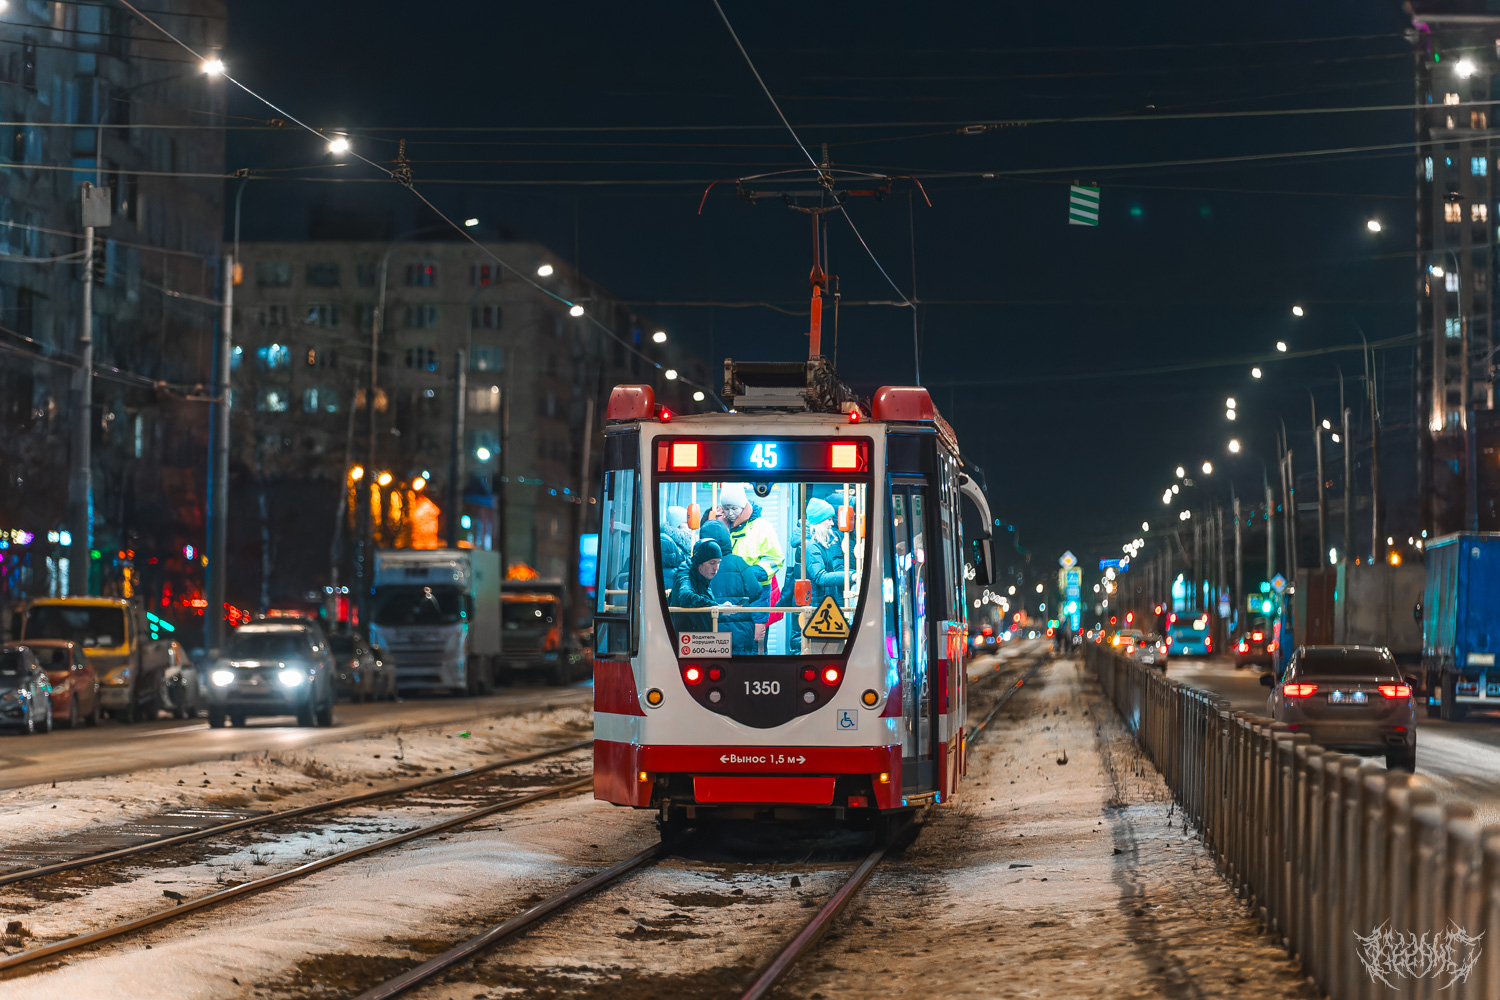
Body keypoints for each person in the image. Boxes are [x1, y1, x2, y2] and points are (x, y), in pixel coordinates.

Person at [699, 520, 765, 654]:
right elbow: (755, 591)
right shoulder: (738, 562)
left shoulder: (699, 566)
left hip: (709, 631)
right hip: (739, 630)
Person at [670, 540, 723, 635]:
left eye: (718, 562)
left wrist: (721, 608)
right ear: (699, 562)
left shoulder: (704, 575)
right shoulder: (686, 573)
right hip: (687, 640)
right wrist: (715, 606)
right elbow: (685, 596)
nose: (716, 568)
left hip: (701, 639)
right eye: (712, 563)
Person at [660, 505, 691, 585]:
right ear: (677, 523)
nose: (690, 527)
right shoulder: (666, 542)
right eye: (686, 523)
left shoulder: (680, 542)